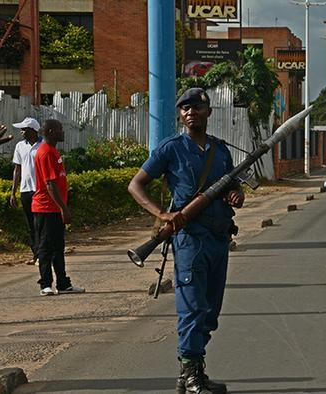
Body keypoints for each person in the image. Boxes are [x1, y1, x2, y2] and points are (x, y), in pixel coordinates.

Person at [128, 88, 244, 394]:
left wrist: (236, 194)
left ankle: (191, 371)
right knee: (192, 308)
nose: (190, 112)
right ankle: (191, 375)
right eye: (185, 108)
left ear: (208, 112)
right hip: (189, 239)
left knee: (210, 312)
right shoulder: (171, 149)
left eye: (196, 107)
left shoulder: (220, 151)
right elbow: (135, 185)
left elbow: (232, 184)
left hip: (219, 239)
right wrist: (161, 215)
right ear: (181, 115)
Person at [32, 119, 85, 297]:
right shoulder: (46, 152)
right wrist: (63, 208)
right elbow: (50, 185)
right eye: (60, 129)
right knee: (45, 248)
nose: (63, 132)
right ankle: (45, 284)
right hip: (46, 208)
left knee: (58, 248)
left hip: (53, 209)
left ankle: (63, 283)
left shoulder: (53, 151)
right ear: (51, 131)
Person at [9, 117, 43, 264]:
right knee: (30, 224)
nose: (21, 131)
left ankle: (43, 254)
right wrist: (13, 193)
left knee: (40, 223)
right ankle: (36, 254)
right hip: (25, 191)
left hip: (40, 190)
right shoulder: (20, 146)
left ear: (32, 130)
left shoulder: (43, 146)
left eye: (24, 129)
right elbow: (17, 170)